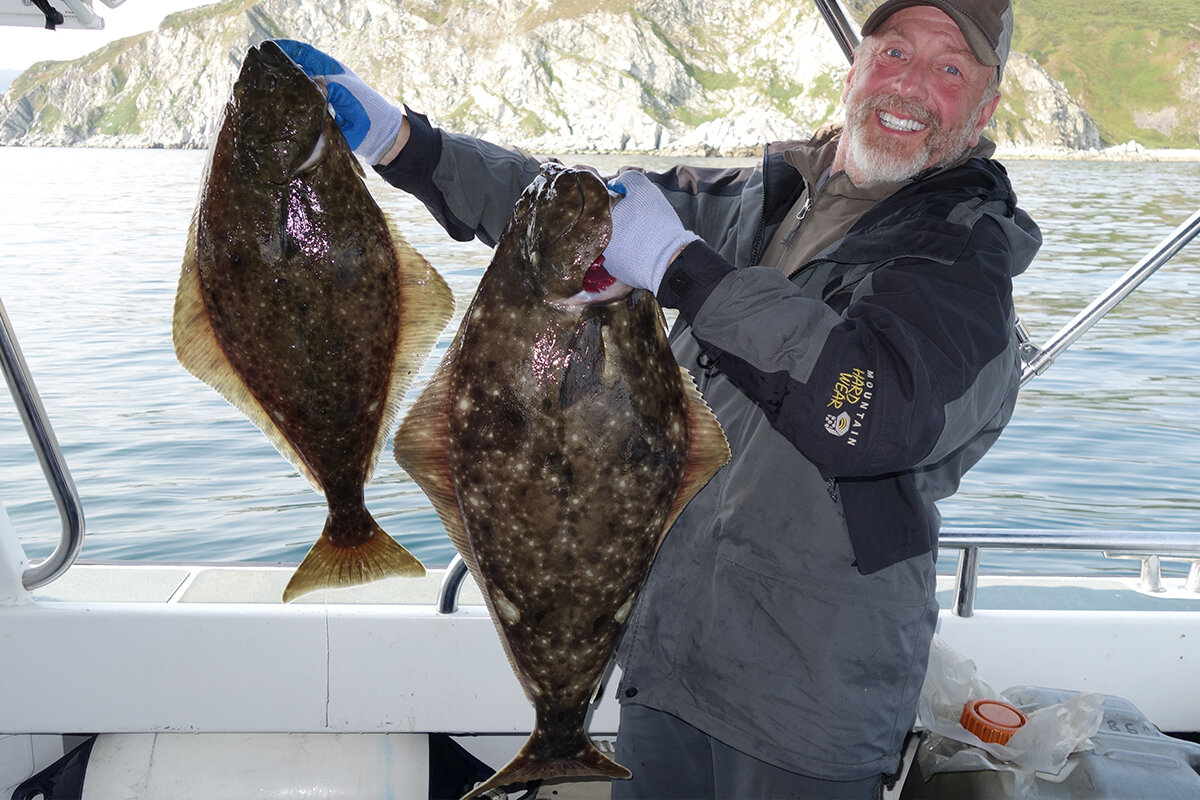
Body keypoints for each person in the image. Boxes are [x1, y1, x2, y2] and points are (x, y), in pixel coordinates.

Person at [278, 0, 1041, 795]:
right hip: (667, 670)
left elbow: (869, 410)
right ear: (855, 70)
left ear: (984, 110)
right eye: (893, 53)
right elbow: (565, 212)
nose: (910, 85)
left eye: (950, 68)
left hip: (805, 711)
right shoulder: (763, 200)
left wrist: (681, 265)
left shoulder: (961, 266)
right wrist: (406, 144)